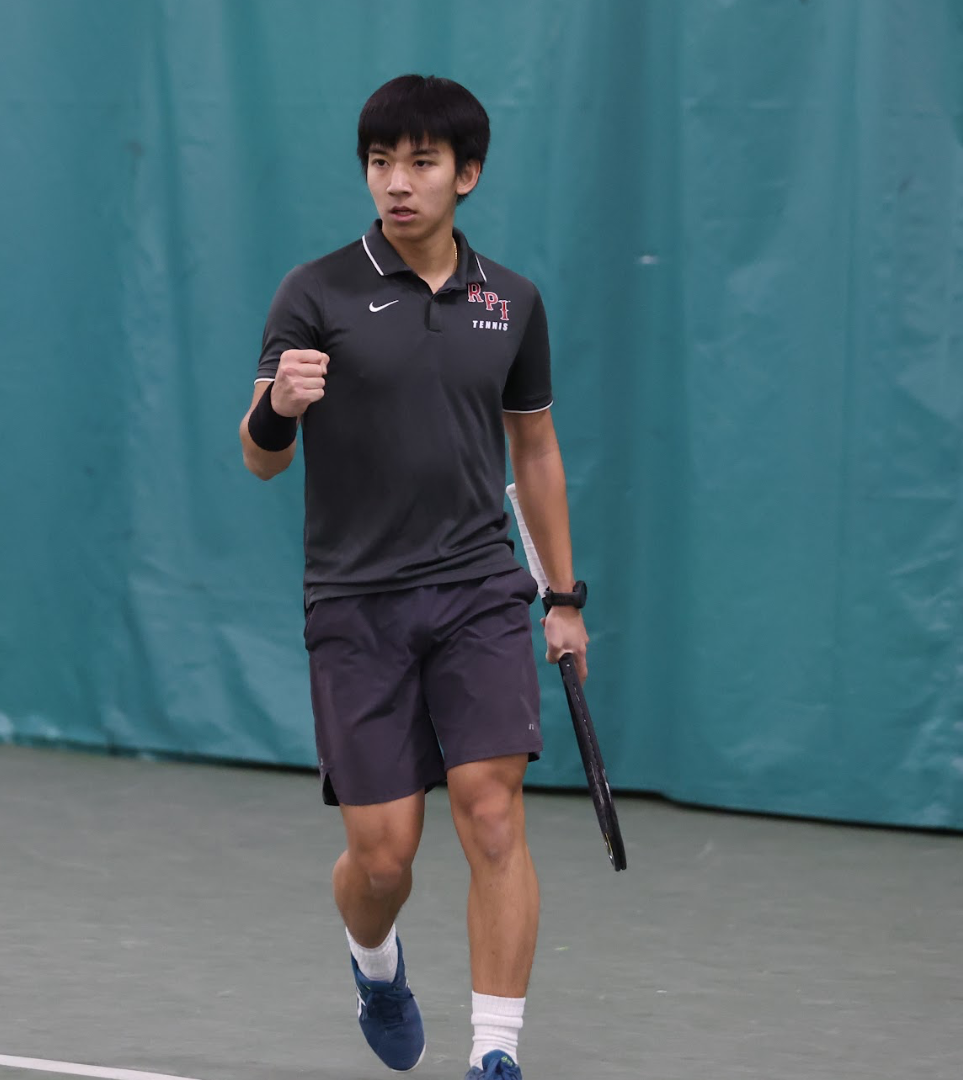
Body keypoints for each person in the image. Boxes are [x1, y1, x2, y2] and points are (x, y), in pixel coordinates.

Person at [237, 74, 589, 1080]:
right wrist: (281, 410)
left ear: (465, 176)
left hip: (480, 584)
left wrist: (563, 597)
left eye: (422, 163)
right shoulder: (315, 292)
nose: (398, 182)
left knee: (491, 808)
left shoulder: (510, 302)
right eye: (382, 162)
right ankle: (375, 962)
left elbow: (537, 453)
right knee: (384, 855)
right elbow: (260, 456)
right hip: (356, 599)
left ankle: (495, 1052)